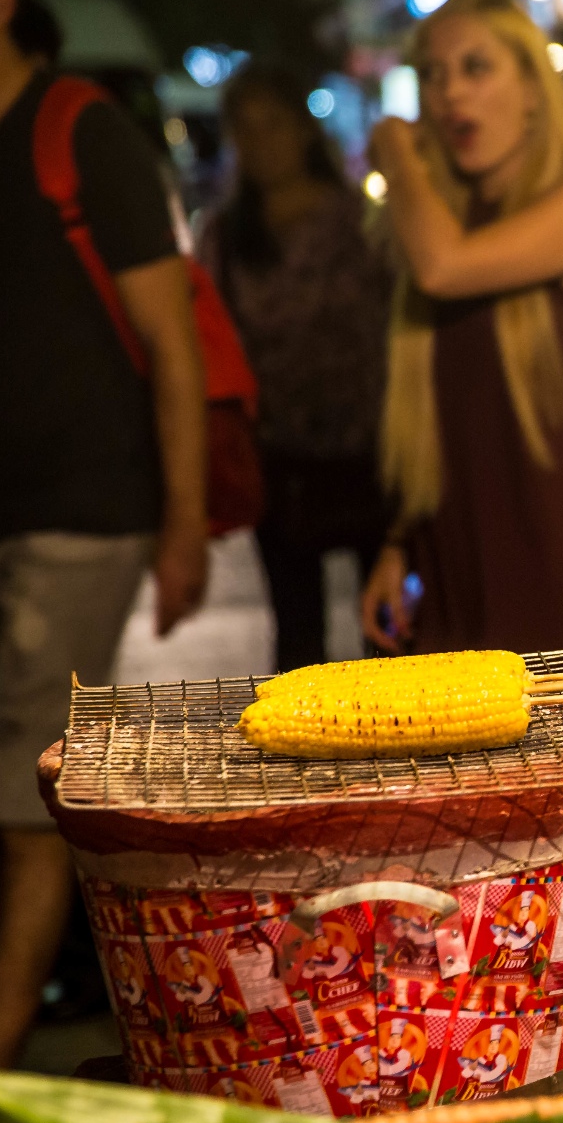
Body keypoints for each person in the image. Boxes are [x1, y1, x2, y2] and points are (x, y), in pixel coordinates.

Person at [0, 0, 209, 1123]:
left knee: (16, 800)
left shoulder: (81, 130)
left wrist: (185, 520)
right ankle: (109, 986)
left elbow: (173, 338)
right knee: (28, 779)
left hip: (83, 507)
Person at [356, 0, 563, 1025]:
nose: (447, 95)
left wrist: (388, 137)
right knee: (476, 881)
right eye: (431, 75)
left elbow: (441, 264)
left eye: (476, 67)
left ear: (534, 88)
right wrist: (401, 540)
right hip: (466, 578)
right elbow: (447, 412)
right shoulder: (458, 215)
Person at [200, 63, 390, 672]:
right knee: (297, 634)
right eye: (245, 128)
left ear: (303, 131)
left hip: (371, 447)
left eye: (273, 124)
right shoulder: (226, 235)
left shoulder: (359, 221)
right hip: (280, 457)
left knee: (388, 630)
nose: (261, 142)